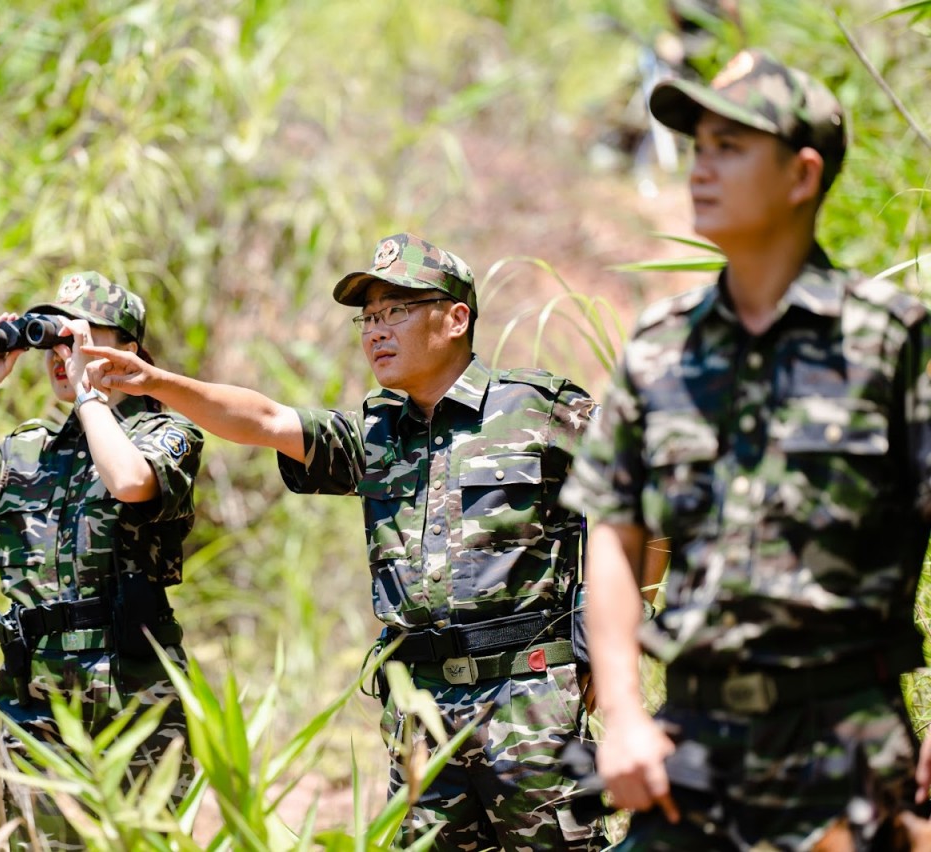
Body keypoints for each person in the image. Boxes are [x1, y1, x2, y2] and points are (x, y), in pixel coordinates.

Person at [79, 233, 605, 850]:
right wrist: (156, 382)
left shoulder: (539, 409)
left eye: (396, 312)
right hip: (421, 711)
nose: (376, 331)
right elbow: (268, 420)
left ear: (457, 317)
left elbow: (642, 513)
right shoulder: (375, 434)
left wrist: (606, 639)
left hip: (530, 697)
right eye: (369, 318)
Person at [560, 49, 931, 850]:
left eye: (731, 146)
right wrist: (622, 713)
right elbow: (616, 537)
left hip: (849, 753)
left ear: (802, 177)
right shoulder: (659, 350)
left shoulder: (892, 340)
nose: (702, 167)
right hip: (691, 749)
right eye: (699, 147)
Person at [0, 272, 203, 849]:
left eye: (82, 337)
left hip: (132, 685)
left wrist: (92, 394)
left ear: (129, 351)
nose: (61, 354)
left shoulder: (167, 430)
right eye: (56, 339)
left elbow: (130, 481)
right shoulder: (26, 447)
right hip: (37, 691)